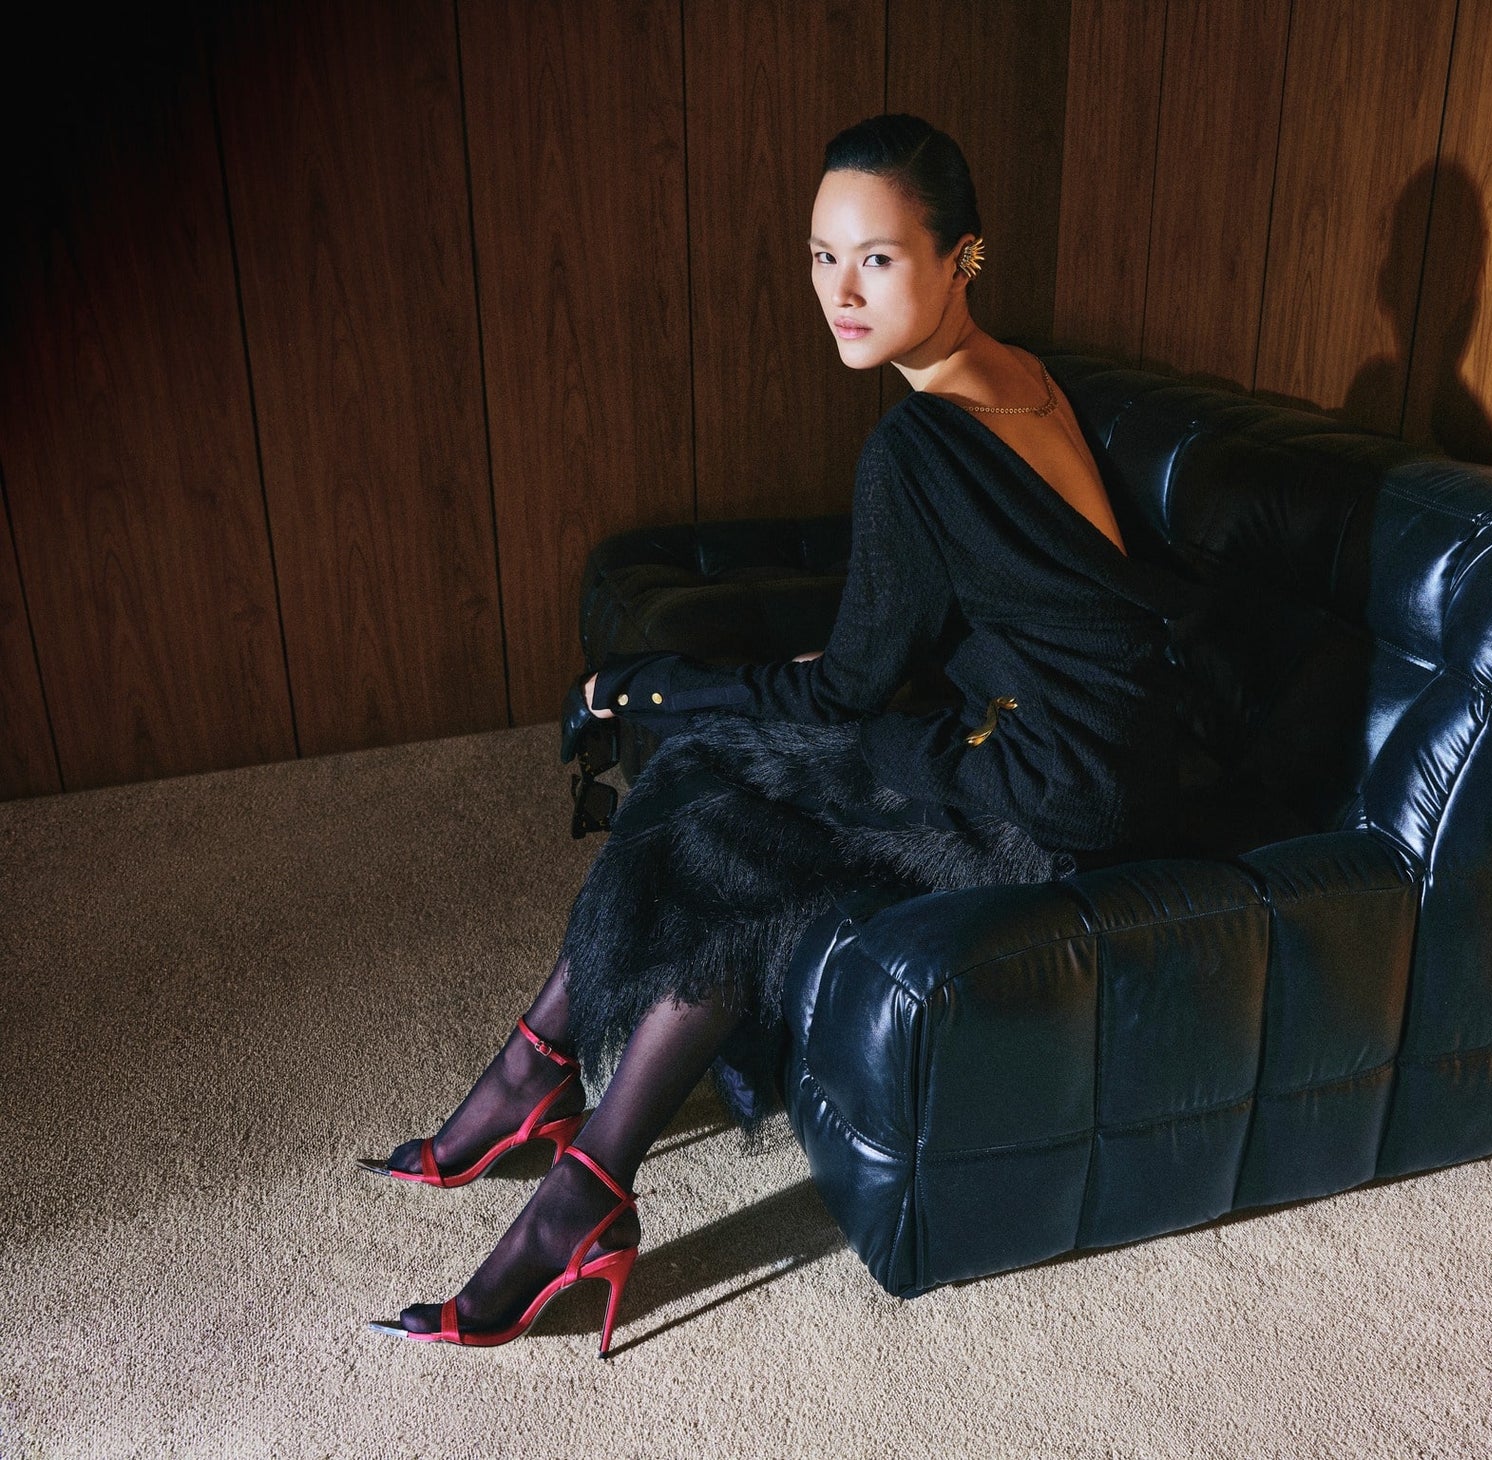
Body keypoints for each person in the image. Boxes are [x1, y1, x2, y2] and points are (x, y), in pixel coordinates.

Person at [364, 113, 1201, 1355]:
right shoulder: (1011, 373)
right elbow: (942, 632)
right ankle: (547, 1104)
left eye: (875, 258)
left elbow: (851, 689)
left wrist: (643, 689)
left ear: (961, 257)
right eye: (820, 257)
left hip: (1049, 796)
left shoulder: (912, 445)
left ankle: (560, 1168)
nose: (839, 293)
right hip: (1086, 754)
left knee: (725, 815)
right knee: (723, 779)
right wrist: (707, 692)